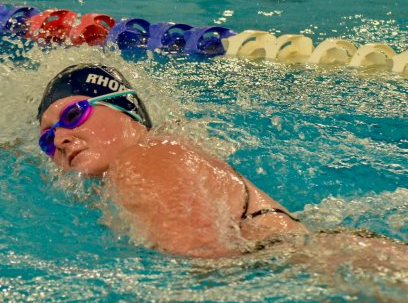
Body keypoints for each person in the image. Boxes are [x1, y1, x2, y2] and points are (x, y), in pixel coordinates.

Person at [37, 63, 406, 265]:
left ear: (126, 111)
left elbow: (206, 260)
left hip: (345, 267)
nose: (60, 139)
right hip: (337, 261)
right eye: (47, 137)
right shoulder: (154, 158)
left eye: (73, 114)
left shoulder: (143, 157)